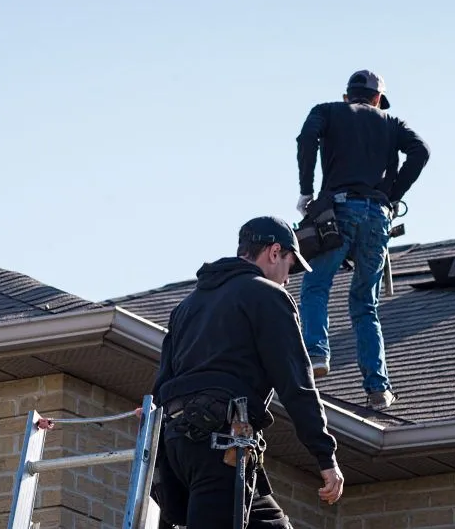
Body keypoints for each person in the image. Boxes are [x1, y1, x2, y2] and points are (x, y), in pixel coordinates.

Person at [149, 215, 345, 528]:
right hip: (220, 444)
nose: (288, 279)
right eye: (290, 266)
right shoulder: (267, 296)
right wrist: (325, 457)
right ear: (274, 252)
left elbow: (161, 385)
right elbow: (297, 386)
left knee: (268, 523)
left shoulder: (186, 306)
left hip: (178, 446)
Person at [294, 69, 431, 411]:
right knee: (364, 304)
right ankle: (378, 389)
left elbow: (306, 138)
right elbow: (421, 151)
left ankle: (316, 354)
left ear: (347, 96)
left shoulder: (327, 111)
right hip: (377, 217)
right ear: (376, 99)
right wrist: (391, 193)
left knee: (316, 285)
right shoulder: (391, 123)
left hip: (338, 211)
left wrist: (307, 190)